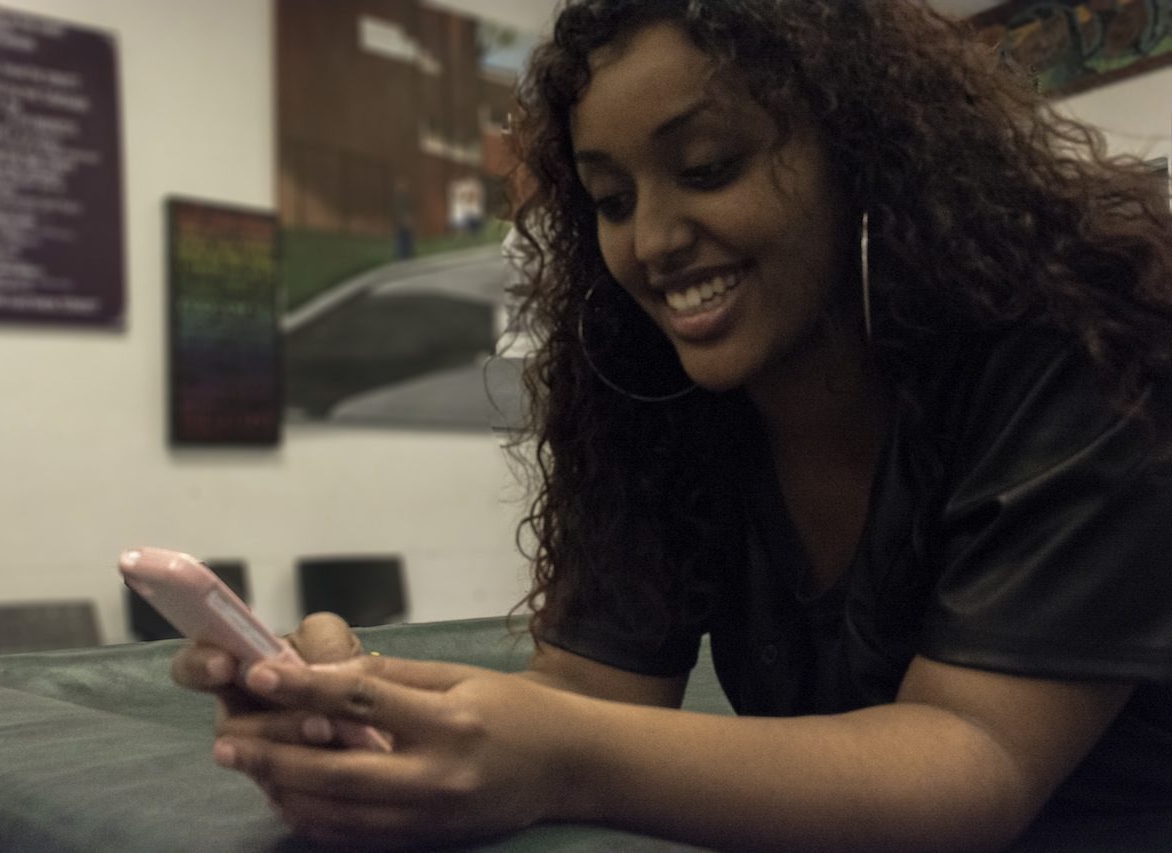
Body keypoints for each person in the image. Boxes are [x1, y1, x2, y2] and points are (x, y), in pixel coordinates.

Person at [173, 1, 1172, 849]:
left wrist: (558, 762)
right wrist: (372, 706)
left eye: (704, 167)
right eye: (609, 198)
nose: (648, 241)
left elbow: (973, 757)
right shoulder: (662, 404)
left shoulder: (1078, 351)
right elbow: (585, 697)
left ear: (864, 158)